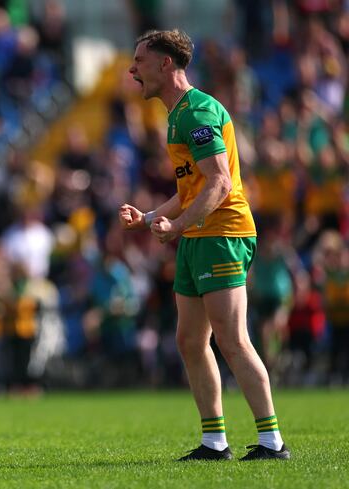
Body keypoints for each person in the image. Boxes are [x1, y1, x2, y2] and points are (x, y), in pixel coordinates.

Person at [120, 30, 289, 461]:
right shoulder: (177, 115)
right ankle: (215, 441)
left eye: (140, 60)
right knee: (190, 341)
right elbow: (192, 188)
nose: (132, 68)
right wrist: (152, 216)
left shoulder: (195, 112)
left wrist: (174, 226)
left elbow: (219, 182)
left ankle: (272, 441)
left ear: (165, 65)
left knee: (233, 340)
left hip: (223, 233)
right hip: (199, 235)